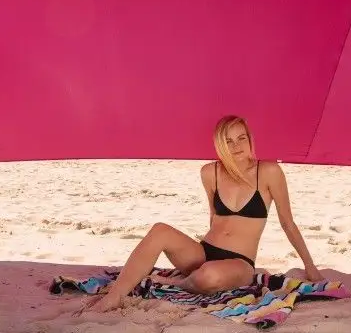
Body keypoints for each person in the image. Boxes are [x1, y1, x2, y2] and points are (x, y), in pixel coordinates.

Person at [87, 115, 322, 311]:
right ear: (220, 145)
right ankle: (115, 296)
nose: (236, 146)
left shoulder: (269, 171)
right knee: (160, 230)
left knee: (209, 275)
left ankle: (179, 283)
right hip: (204, 252)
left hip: (239, 263)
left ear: (250, 139)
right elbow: (213, 217)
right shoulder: (210, 173)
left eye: (241, 138)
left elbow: (287, 222)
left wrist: (309, 266)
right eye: (228, 141)